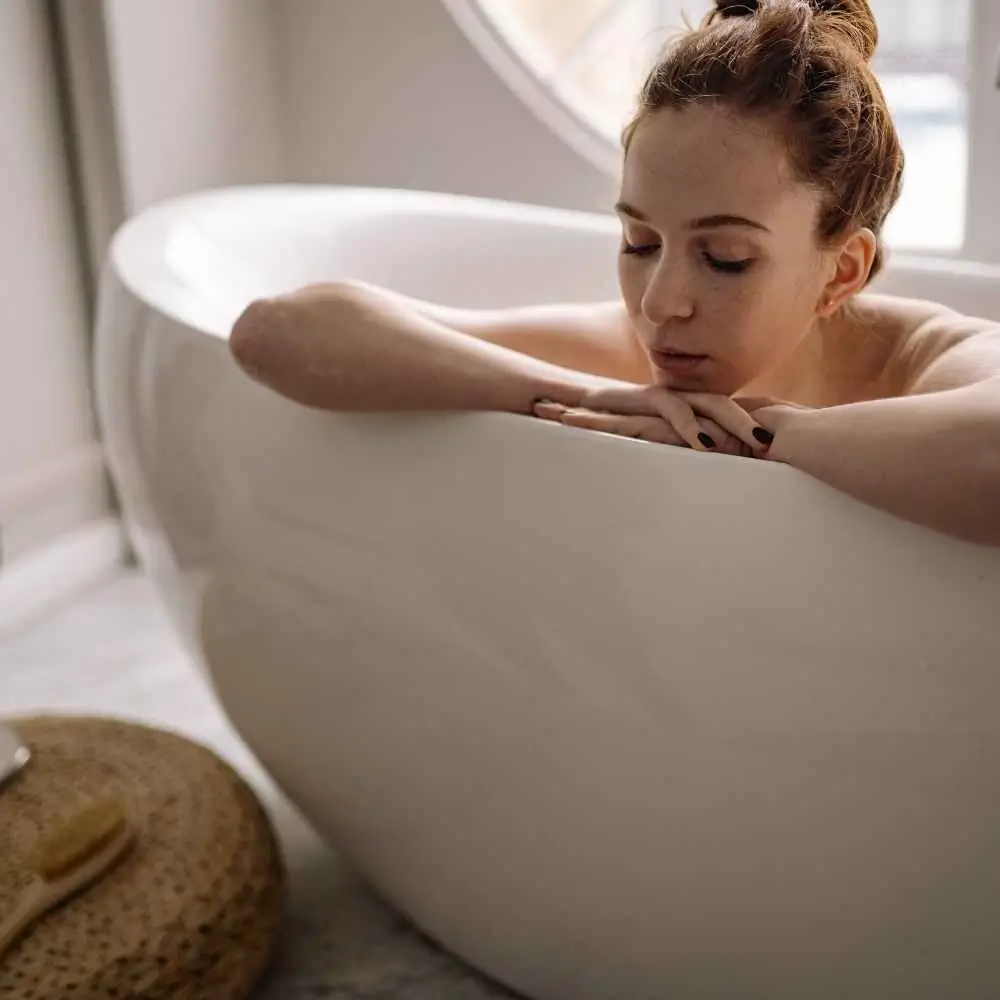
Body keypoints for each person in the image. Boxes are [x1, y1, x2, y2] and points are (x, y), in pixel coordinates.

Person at [229, 0, 1000, 547]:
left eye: (724, 258)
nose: (661, 304)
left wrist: (759, 437)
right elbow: (277, 331)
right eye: (638, 242)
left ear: (843, 272)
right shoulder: (631, 361)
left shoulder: (925, 355)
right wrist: (581, 397)